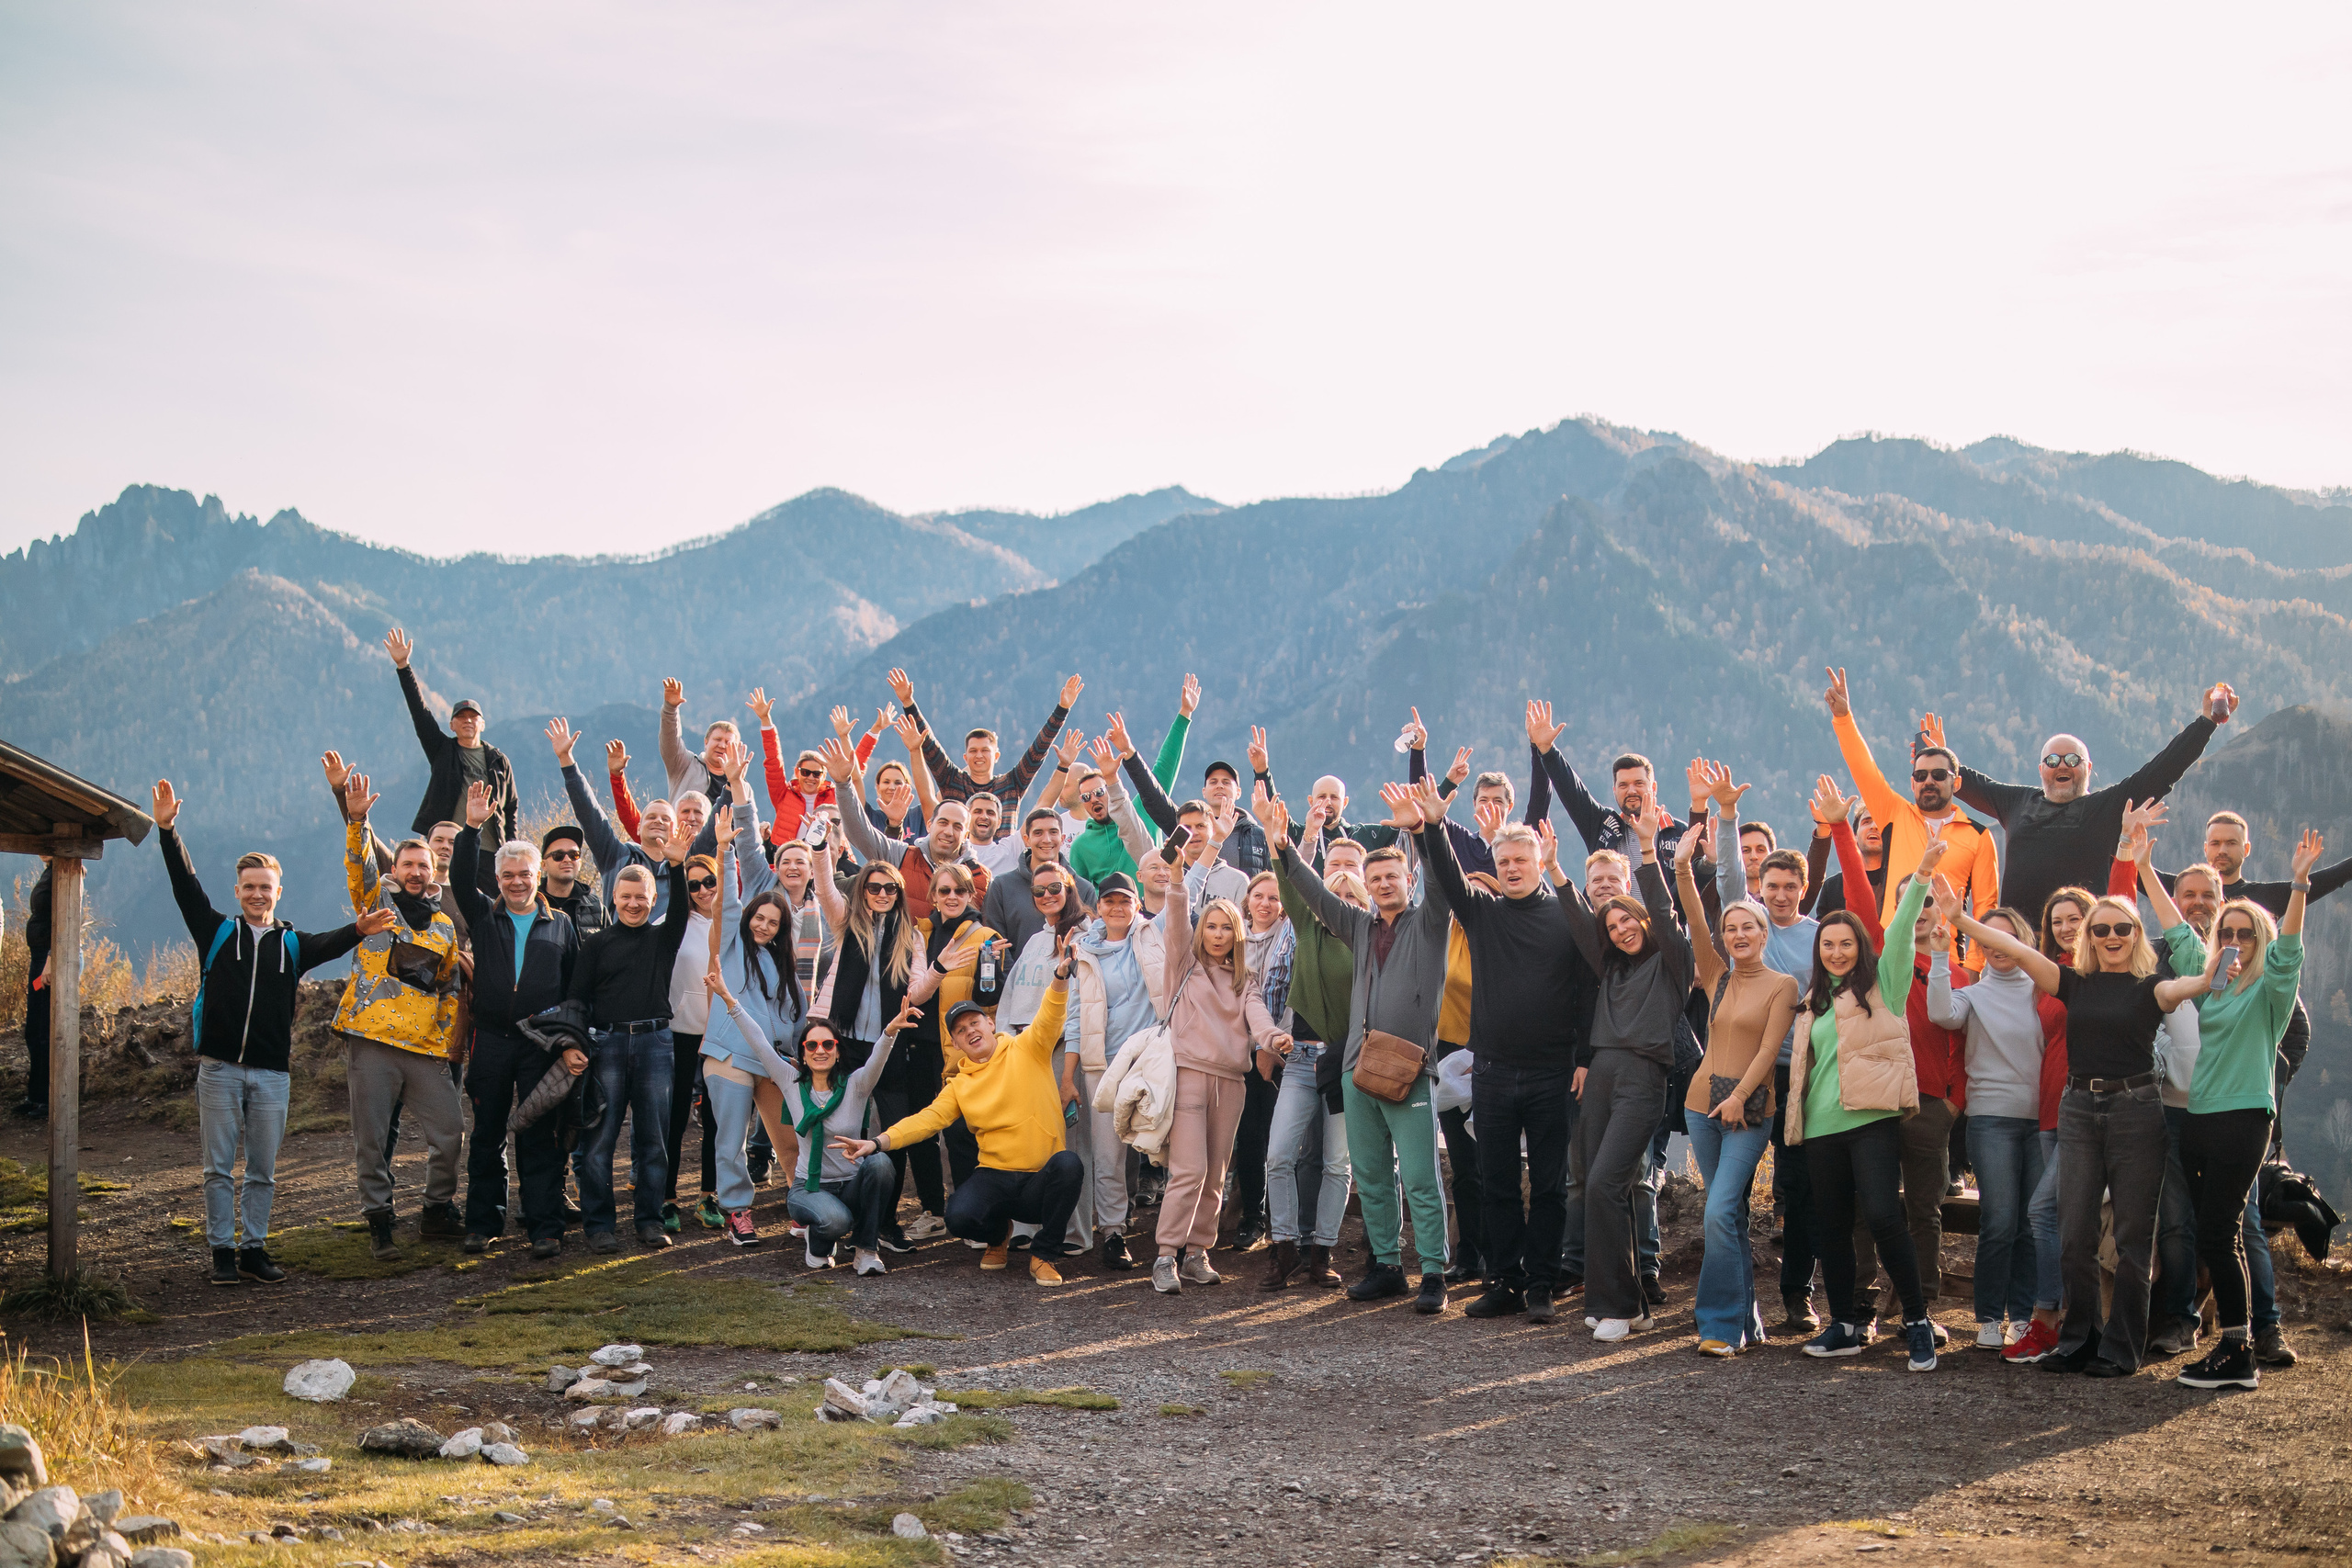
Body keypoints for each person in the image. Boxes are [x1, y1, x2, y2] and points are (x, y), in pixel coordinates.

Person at [1938, 832, 2212, 1377]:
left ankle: (2121, 1348)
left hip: (2137, 1111)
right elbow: (2015, 950)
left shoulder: (2153, 985)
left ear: (2136, 936)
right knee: (2072, 1236)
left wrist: (2213, 970)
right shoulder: (2072, 982)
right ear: (2087, 937)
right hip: (2079, 1110)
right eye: (2101, 928)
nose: (2111, 935)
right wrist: (1959, 920)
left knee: (2134, 1239)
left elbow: (2197, 982)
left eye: (2122, 928)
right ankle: (2078, 1340)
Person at [153, 781, 379, 1284]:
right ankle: (221, 1254)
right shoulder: (216, 932)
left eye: (266, 886)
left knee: (262, 1171)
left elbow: (334, 940)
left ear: (279, 892)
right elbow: (184, 884)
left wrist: (361, 930)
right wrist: (168, 831)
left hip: (272, 1075)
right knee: (217, 1169)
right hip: (218, 1071)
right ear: (238, 892)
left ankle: (253, 1249)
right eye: (249, 886)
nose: (258, 894)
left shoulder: (293, 946)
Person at [1268, 789, 1453, 1310]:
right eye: (1375, 880)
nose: (1384, 884)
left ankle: (1434, 1272)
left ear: (1407, 880)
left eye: (1392, 876)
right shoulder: (1358, 925)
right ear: (1366, 889)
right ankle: (1388, 1267)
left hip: (1411, 1068)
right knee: (1370, 1174)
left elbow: (1442, 880)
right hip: (1357, 1068)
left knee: (1419, 1176)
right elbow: (1312, 894)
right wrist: (1284, 847)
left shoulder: (1430, 922)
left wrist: (1423, 830)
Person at [1419, 773, 1591, 1323]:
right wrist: (1431, 823)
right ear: (1495, 865)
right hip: (1491, 1072)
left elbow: (1588, 991)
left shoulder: (1566, 915)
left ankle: (1541, 1283)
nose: (1512, 868)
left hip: (1552, 1073)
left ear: (1539, 861)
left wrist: (1584, 1058)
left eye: (1522, 859)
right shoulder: (1482, 914)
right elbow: (1445, 871)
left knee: (1547, 1186)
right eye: (1505, 861)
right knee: (1497, 1183)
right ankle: (1504, 1280)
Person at [1716, 774, 1879, 1336]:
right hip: (1748, 1075)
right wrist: (1729, 817)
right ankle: (1731, 1293)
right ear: (1759, 887)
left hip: (1806, 1076)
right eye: (1771, 885)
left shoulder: (1820, 938)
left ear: (1803, 888)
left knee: (1803, 1186)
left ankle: (1796, 1292)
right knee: (1739, 1185)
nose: (1780, 894)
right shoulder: (1749, 933)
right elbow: (1727, 880)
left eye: (1790, 886)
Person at [1787, 840, 1948, 1371]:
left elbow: (1900, 935)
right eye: (1827, 944)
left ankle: (1918, 1320)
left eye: (1845, 943)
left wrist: (1921, 875)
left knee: (1883, 1214)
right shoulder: (1811, 1001)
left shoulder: (1884, 988)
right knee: (1832, 1225)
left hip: (1872, 1120)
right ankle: (1847, 1324)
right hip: (1821, 1125)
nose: (1836, 952)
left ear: (1860, 946)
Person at [2169, 830, 2321, 1391]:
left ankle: (2240, 1352)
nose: (2235, 939)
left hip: (2244, 1119)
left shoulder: (2270, 993)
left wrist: (2300, 883)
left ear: (2258, 938)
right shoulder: (2211, 985)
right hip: (2200, 1118)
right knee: (2217, 1235)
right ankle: (2239, 1348)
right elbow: (2176, 932)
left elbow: (2290, 951)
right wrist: (2140, 866)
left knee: (2219, 1234)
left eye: (2245, 933)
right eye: (2226, 932)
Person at [832, 964, 1085, 1289]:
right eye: (961, 1030)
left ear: (990, 1023)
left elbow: (1050, 1015)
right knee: (958, 1217)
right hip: (995, 1174)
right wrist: (878, 1142)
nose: (970, 1031)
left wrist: (1060, 978)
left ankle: (1044, 1255)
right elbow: (926, 1120)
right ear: (955, 1043)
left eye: (974, 1023)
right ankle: (998, 1235)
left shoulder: (1029, 1048)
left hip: (1040, 1177)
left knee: (1069, 1164)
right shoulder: (958, 1084)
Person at [1550, 799, 1694, 1342]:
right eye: (1611, 925)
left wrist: (1653, 855)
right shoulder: (1609, 967)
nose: (1619, 929)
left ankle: (1619, 1305)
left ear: (1642, 918)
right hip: (1603, 1077)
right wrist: (1557, 871)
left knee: (1612, 1182)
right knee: (1593, 1184)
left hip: (1642, 1079)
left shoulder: (1671, 962)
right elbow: (1580, 924)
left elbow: (1663, 911)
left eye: (1627, 919)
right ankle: (1623, 1303)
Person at [1936, 682, 2235, 928]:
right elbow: (1967, 781)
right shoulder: (2017, 801)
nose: (2061, 765)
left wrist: (2206, 722)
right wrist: (1937, 755)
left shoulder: (2105, 807)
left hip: (2081, 945)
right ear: (2041, 769)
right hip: (2017, 945)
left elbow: (2163, 769)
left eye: (2072, 760)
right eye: (2052, 760)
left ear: (2088, 768)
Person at [1670, 818, 1800, 1355]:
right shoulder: (1717, 974)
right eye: (1732, 930)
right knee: (1730, 1211)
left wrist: (1740, 1097)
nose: (1739, 935)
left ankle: (1718, 1325)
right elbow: (1695, 918)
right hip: (1702, 1104)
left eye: (1749, 927)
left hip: (1749, 1109)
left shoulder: (1783, 985)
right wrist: (1679, 866)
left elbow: (1770, 1052)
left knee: (1722, 1209)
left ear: (1764, 933)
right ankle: (1746, 1320)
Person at [333, 769, 469, 1261]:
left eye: (423, 866)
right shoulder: (376, 905)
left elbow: (451, 987)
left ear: (433, 872)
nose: (415, 872)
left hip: (423, 1048)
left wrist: (446, 1040)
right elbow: (359, 867)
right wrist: (356, 819)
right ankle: (380, 1223)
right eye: (408, 864)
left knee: (450, 1132)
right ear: (398, 870)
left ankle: (436, 1211)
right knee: (371, 1140)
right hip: (371, 1042)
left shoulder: (443, 927)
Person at [707, 953, 907, 1273]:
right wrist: (728, 998)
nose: (820, 1051)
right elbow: (758, 1042)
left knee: (880, 1163)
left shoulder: (856, 1085)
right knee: (835, 1221)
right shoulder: (789, 1081)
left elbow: (877, 1059)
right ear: (803, 1051)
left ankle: (866, 1251)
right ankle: (820, 1239)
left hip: (851, 1182)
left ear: (838, 1051)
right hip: (810, 1188)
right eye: (811, 1046)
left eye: (828, 1045)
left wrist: (891, 1031)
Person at [1150, 836, 1290, 1293]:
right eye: (1210, 926)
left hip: (1232, 1082)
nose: (1216, 934)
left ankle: (1197, 1252)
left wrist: (1272, 1038)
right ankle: (1165, 1256)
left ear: (1236, 934)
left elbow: (1257, 1016)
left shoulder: (1244, 978)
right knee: (1188, 1170)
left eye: (1225, 928)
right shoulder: (1183, 966)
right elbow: (1174, 922)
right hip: (1189, 1075)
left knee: (1214, 1174)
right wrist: (1176, 878)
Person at [448, 783, 581, 1258]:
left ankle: (545, 1228)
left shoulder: (561, 925)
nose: (517, 882)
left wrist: (570, 1041)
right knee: (486, 1133)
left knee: (538, 1136)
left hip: (539, 1045)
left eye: (525, 874)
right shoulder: (484, 917)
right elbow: (461, 878)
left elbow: (573, 992)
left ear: (537, 874)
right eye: (508, 875)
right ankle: (483, 1224)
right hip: (492, 1041)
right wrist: (471, 828)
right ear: (499, 878)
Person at [565, 831, 696, 1253]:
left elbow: (680, 909)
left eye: (642, 896)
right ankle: (599, 1226)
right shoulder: (597, 944)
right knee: (599, 1141)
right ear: (614, 898)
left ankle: (649, 1221)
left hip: (656, 1043)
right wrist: (575, 1045)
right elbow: (576, 1000)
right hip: (607, 1046)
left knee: (653, 1139)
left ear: (653, 898)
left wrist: (676, 865)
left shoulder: (664, 938)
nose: (634, 903)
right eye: (626, 896)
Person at [1926, 900, 2047, 1350]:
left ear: (2022, 941)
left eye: (2005, 936)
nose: (1997, 946)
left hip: (2042, 1121)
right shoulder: (1973, 995)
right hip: (1992, 1120)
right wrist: (1941, 956)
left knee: (2031, 1224)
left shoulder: (2044, 990)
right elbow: (1941, 1013)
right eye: (1987, 938)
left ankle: (2023, 1315)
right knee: (1999, 1220)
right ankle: (1989, 1317)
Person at [1254, 807, 1363, 1293]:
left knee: (1337, 1163)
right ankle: (1283, 1249)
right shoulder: (1305, 924)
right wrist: (1280, 842)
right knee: (1279, 1155)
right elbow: (1291, 878)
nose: (1337, 900)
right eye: (1331, 893)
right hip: (1300, 1059)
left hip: (1346, 1064)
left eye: (1346, 895)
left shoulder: (1364, 939)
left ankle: (1322, 1252)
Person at [697, 798, 805, 1245]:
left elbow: (792, 1022)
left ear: (782, 929)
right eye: (758, 918)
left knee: (791, 1140)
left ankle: (804, 1205)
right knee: (732, 1142)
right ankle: (738, 1211)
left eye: (772, 922)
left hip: (772, 1061)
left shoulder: (786, 970)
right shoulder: (731, 947)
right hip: (729, 1056)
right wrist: (725, 852)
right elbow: (726, 904)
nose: (762, 926)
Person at [1824, 668, 2000, 935]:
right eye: (1921, 775)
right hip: (1894, 954)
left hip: (1949, 959)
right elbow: (1863, 768)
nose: (1929, 781)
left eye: (1939, 775)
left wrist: (1972, 968)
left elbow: (1986, 908)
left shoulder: (1979, 835)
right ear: (1912, 783)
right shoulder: (1894, 814)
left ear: (1957, 782)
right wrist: (1843, 719)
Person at [1066, 870, 1165, 1270]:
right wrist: (1065, 1077)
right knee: (1108, 1154)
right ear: (1098, 908)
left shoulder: (1152, 935)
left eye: (1125, 900)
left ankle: (1181, 1238)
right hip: (1101, 1064)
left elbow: (1183, 896)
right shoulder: (1083, 951)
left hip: (1152, 1059)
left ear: (1136, 904)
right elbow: (1074, 1017)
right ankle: (1113, 1233)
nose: (1118, 907)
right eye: (1110, 901)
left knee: (1163, 1145)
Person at [383, 629, 515, 886]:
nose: (468, 721)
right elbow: (420, 713)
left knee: (486, 913)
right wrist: (403, 666)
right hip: (448, 851)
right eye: (461, 717)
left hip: (489, 853)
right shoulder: (443, 751)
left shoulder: (498, 760)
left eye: (473, 717)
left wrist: (510, 848)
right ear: (452, 725)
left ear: (483, 724)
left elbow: (511, 807)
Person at [827, 738, 990, 921]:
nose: (948, 832)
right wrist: (843, 784)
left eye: (957, 826)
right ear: (929, 824)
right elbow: (861, 834)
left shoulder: (979, 877)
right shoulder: (903, 856)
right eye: (943, 823)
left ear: (966, 834)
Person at [549, 717, 684, 921]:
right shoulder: (618, 857)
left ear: (676, 831)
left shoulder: (684, 870)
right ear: (637, 828)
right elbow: (590, 814)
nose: (658, 821)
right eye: (651, 817)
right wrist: (567, 761)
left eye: (666, 818)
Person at [1524, 699, 1692, 861]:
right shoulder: (1603, 827)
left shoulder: (1678, 833)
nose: (1631, 791)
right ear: (1614, 790)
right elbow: (1571, 790)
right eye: (1623, 785)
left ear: (1653, 788)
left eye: (1639, 783)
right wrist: (1547, 750)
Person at [889, 666, 1083, 806]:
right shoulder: (952, 781)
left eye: (985, 750)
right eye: (973, 751)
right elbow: (929, 744)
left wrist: (1062, 709)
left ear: (996, 756)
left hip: (1002, 862)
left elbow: (1038, 749)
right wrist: (908, 703)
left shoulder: (1012, 785)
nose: (979, 755)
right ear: (965, 757)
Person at [980, 808, 1102, 955]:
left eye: (1053, 832)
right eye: (1038, 833)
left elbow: (1090, 943)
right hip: (1016, 976)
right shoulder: (1001, 887)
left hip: (1069, 975)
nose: (1047, 839)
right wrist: (1015, 976)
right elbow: (995, 943)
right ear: (1026, 839)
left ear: (1062, 838)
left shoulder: (1083, 888)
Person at [12, 858, 51, 1121]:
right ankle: (35, 1095)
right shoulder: (51, 870)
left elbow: (68, 917)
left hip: (48, 960)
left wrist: (52, 958)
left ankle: (48, 1099)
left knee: (45, 1032)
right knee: (34, 1030)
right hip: (38, 957)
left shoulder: (67, 870)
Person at [537, 824, 607, 938]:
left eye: (574, 855)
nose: (567, 860)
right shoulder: (532, 903)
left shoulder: (596, 908)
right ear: (544, 865)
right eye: (558, 855)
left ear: (579, 863)